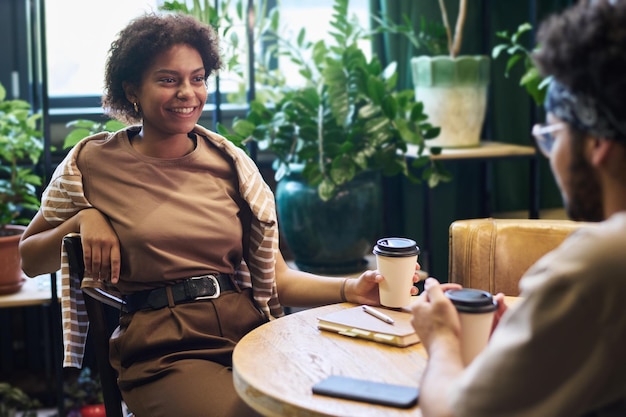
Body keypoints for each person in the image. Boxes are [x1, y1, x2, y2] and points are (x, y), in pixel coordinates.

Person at [18, 12, 419, 417]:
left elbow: (275, 279)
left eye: (197, 78)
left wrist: (352, 288)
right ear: (132, 89)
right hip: (163, 349)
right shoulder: (92, 161)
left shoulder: (230, 164)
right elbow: (30, 258)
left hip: (250, 333)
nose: (188, 93)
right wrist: (82, 220)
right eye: (168, 80)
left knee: (351, 400)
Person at [409, 1, 626, 416]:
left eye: (553, 136)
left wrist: (441, 340)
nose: (552, 157)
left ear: (597, 143)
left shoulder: (601, 264)